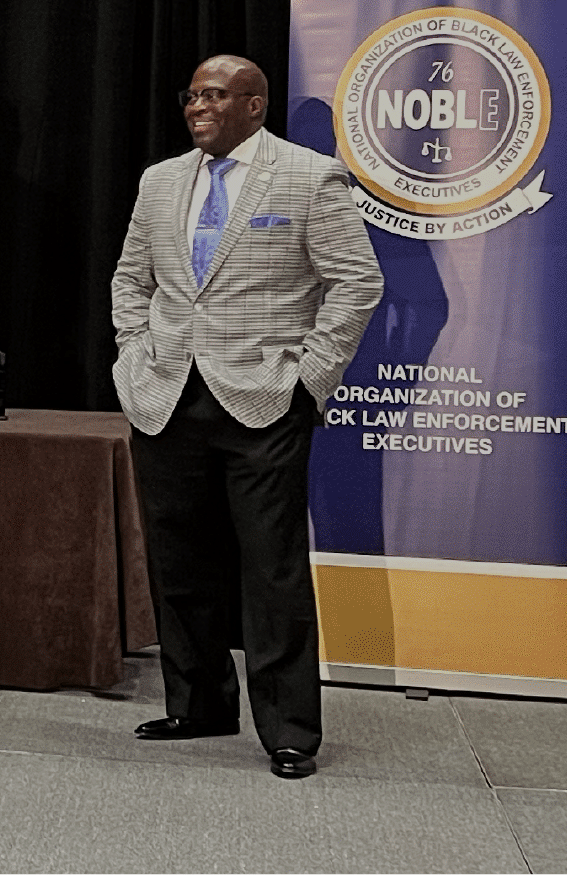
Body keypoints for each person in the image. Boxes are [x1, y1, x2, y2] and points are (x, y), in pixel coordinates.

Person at [108, 54, 381, 779]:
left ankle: (289, 729)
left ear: (254, 105)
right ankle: (198, 704)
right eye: (191, 94)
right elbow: (130, 277)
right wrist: (134, 350)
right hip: (166, 394)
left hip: (265, 396)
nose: (197, 106)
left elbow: (357, 282)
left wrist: (310, 377)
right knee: (177, 562)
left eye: (214, 95)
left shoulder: (309, 176)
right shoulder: (160, 179)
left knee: (272, 571)